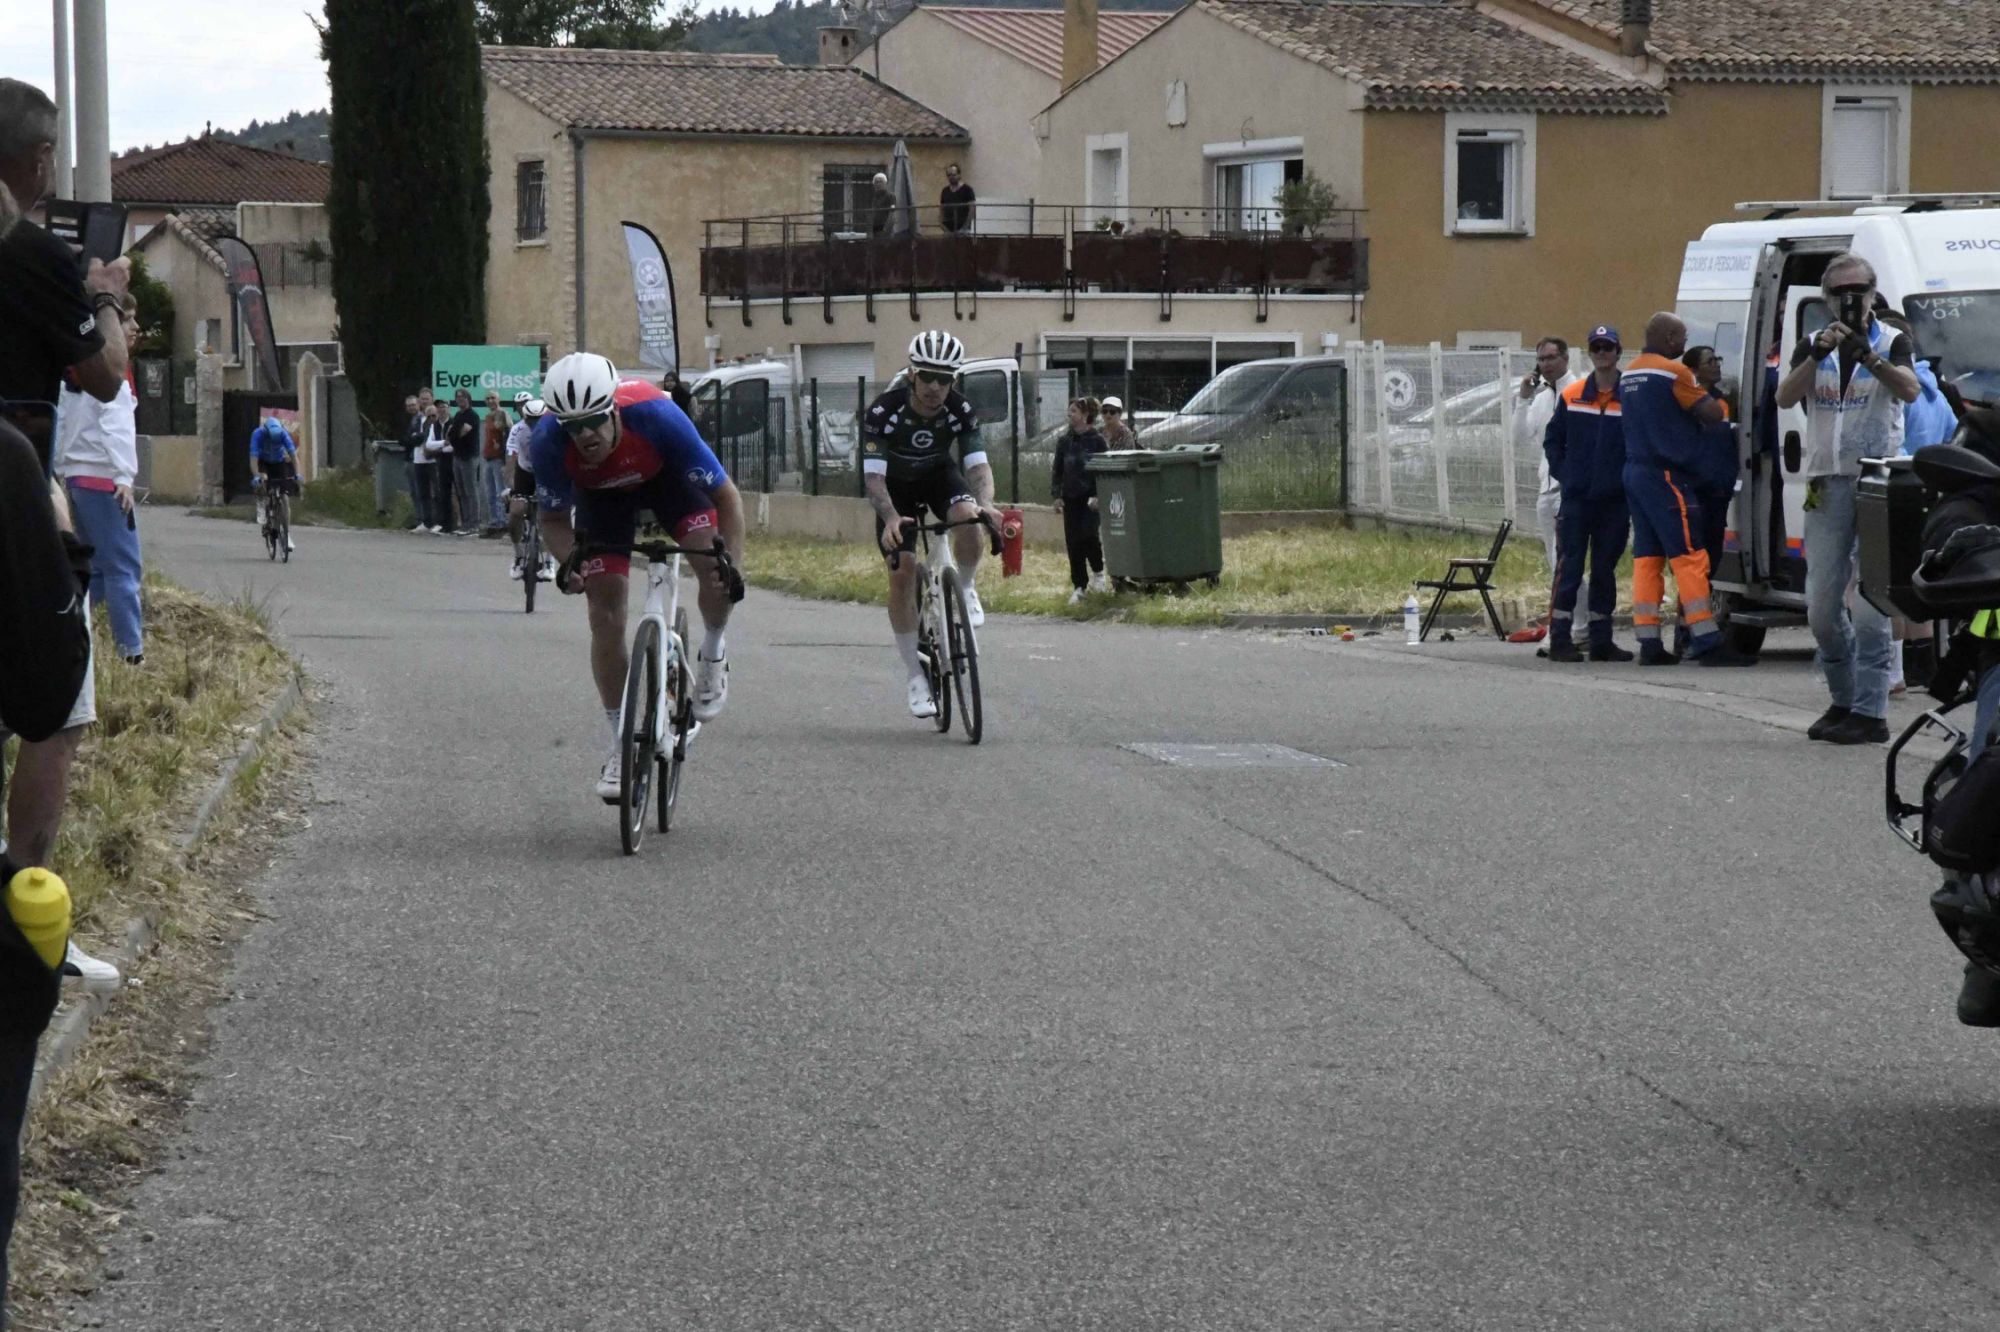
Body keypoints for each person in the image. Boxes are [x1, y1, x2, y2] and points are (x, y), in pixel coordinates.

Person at [529, 353, 744, 800]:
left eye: (593, 420)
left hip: (669, 483)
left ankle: (713, 651)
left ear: (612, 409)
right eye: (572, 426)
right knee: (604, 614)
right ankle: (621, 745)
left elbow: (726, 496)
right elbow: (552, 520)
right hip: (601, 502)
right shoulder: (547, 440)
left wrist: (732, 567)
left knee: (713, 568)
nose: (584, 435)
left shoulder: (657, 415)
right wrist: (569, 564)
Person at [1774, 256, 1921, 742]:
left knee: (1871, 603)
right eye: (1839, 292)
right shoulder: (1813, 343)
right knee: (1820, 605)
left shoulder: (1892, 340)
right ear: (1826, 298)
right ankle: (1843, 698)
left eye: (1858, 289)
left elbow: (1910, 390)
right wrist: (1816, 355)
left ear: (1874, 293)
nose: (1849, 298)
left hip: (1876, 478)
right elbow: (1784, 398)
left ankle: (1870, 711)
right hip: (1826, 480)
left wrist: (1870, 358)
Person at [863, 330, 1004, 718]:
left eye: (944, 379)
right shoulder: (884, 411)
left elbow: (977, 465)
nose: (935, 387)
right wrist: (890, 517)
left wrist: (986, 504)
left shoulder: (960, 409)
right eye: (927, 376)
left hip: (939, 477)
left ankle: (967, 586)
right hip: (895, 489)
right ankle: (915, 676)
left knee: (969, 516)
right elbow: (873, 478)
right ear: (912, 374)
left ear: (953, 380)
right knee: (902, 572)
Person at [1618, 312, 1753, 667]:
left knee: (1647, 558)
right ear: (1668, 338)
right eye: (1682, 336)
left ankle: (1649, 641)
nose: (1684, 342)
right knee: (1691, 555)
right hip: (1666, 474)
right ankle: (1706, 640)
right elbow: (1711, 413)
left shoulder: (1629, 372)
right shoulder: (1674, 372)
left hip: (1635, 471)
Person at [54, 294, 145, 663]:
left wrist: (62, 471)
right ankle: (131, 653)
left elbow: (62, 424)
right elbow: (117, 428)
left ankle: (91, 646)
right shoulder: (113, 378)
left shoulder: (75, 375)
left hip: (78, 480)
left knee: (97, 571)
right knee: (125, 569)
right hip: (105, 481)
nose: (135, 328)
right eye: (127, 320)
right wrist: (124, 476)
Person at [1541, 327, 1630, 662]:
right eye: (1596, 347)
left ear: (1618, 351)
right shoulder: (1573, 394)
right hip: (1577, 500)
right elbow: (1553, 441)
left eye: (1607, 347)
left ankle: (1601, 640)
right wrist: (1567, 476)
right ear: (1590, 353)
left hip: (1615, 502)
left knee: (1605, 570)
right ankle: (1560, 638)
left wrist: (1625, 481)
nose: (1602, 352)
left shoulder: (1630, 396)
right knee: (1570, 568)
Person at [1681, 343, 1738, 644]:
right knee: (1695, 565)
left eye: (1717, 358)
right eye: (1709, 361)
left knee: (1711, 562)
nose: (1716, 364)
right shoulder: (1687, 404)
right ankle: (1687, 634)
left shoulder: (1722, 402)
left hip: (1718, 492)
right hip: (1695, 493)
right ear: (1693, 370)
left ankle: (1695, 629)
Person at [1515, 337, 1577, 579]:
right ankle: (1568, 601)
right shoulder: (1542, 398)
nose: (1546, 364)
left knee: (1563, 554)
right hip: (1546, 487)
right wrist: (1523, 399)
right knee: (1555, 560)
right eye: (1541, 359)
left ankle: (1569, 603)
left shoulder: (1578, 390)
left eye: (1551, 357)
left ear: (1565, 358)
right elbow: (1519, 437)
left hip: (1569, 487)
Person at [1052, 396, 1111, 605]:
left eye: (1074, 411)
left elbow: (1104, 470)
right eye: (1069, 411)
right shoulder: (1064, 441)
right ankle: (1079, 586)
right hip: (1071, 498)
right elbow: (1058, 470)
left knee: (1089, 535)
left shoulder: (1097, 441)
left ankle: (1099, 573)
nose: (1070, 415)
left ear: (1085, 415)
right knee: (1073, 542)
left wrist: (1099, 494)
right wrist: (1057, 495)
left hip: (1091, 499)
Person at [506, 395, 557, 582]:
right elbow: (511, 456)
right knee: (515, 512)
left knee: (550, 517)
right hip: (525, 472)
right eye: (531, 420)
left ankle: (549, 562)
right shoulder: (518, 429)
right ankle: (519, 557)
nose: (534, 423)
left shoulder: (554, 428)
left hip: (548, 472)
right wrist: (510, 482)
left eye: (539, 419)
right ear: (524, 417)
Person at [248, 414, 300, 552]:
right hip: (263, 462)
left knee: (285, 499)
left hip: (278, 462)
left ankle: (287, 535)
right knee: (263, 478)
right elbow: (253, 459)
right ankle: (261, 503)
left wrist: (297, 474)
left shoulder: (283, 434)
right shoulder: (257, 434)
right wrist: (256, 476)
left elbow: (294, 456)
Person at [447, 387, 482, 534]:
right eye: (458, 397)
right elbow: (450, 435)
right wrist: (454, 435)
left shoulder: (472, 415)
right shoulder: (457, 415)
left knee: (471, 491)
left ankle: (474, 524)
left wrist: (454, 435)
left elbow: (461, 433)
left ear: (468, 399)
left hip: (469, 457)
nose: (460, 399)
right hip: (457, 456)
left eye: (463, 396)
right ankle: (465, 523)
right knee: (461, 491)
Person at [479, 390, 512, 535]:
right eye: (488, 398)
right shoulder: (488, 416)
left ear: (499, 399)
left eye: (493, 398)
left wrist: (506, 460)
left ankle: (503, 521)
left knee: (500, 492)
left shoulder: (503, 414)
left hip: (499, 458)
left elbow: (509, 434)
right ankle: (494, 521)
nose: (490, 400)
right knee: (490, 492)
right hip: (488, 457)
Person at [421, 399, 456, 532]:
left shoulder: (453, 423)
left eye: (444, 407)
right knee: (443, 493)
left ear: (448, 408)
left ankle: (459, 523)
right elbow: (429, 444)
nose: (441, 409)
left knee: (459, 492)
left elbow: (453, 445)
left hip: (453, 460)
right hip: (441, 461)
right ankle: (445, 524)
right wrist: (442, 443)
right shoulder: (434, 425)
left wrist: (440, 447)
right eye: (439, 407)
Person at [939, 163, 975, 235]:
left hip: (964, 231)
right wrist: (943, 226)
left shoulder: (967, 189)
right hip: (948, 231)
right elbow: (942, 210)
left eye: (953, 175)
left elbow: (972, 210)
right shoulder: (945, 191)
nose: (951, 177)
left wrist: (964, 228)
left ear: (959, 175)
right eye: (949, 175)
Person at [869, 171, 894, 238]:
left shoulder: (890, 196)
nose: (878, 184)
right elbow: (872, 213)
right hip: (875, 227)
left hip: (885, 227)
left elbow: (892, 212)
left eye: (881, 182)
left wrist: (887, 228)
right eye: (876, 182)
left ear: (885, 183)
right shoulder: (874, 197)